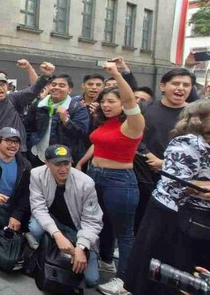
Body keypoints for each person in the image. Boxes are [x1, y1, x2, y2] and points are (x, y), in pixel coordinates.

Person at [125, 100, 210, 295]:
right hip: (175, 219)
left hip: (199, 221)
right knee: (167, 278)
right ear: (199, 120)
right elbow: (179, 186)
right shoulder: (187, 142)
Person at [78, 61, 145, 295]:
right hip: (95, 175)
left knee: (124, 233)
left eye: (111, 101)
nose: (106, 105)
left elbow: (130, 100)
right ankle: (105, 260)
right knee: (97, 222)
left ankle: (125, 281)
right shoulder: (107, 123)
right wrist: (81, 162)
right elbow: (99, 144)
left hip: (120, 181)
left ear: (122, 103)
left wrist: (116, 74)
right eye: (104, 101)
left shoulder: (133, 124)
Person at [29, 145, 103, 288]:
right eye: (57, 164)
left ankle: (81, 252)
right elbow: (38, 208)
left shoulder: (86, 183)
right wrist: (57, 235)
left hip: (77, 230)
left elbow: (93, 221)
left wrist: (81, 248)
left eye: (66, 163)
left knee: (91, 280)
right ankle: (47, 249)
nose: (63, 169)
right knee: (35, 227)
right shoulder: (36, 174)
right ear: (47, 163)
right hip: (54, 224)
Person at [132, 68, 193, 231]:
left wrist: (165, 163)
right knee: (142, 224)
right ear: (162, 87)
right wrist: (149, 156)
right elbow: (135, 136)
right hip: (144, 176)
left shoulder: (196, 114)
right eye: (175, 83)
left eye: (186, 85)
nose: (181, 88)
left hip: (180, 182)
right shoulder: (145, 109)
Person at [0, 61, 55, 155]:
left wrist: (45, 76)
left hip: (15, 151)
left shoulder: (14, 98)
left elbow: (33, 90)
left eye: (3, 85)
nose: (0, 88)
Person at [27, 74, 89, 166]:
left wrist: (66, 121)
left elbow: (82, 133)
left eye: (62, 85)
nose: (56, 87)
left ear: (70, 90)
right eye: (54, 84)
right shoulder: (38, 105)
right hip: (37, 155)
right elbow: (28, 127)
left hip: (63, 159)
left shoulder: (77, 108)